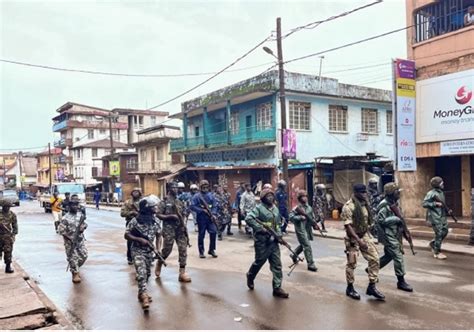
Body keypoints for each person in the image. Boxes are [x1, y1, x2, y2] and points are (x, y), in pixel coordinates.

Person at [341, 184, 384, 301]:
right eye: (362, 192)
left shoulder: (364, 204)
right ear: (355, 193)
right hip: (353, 239)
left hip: (364, 235)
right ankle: (350, 287)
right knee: (352, 264)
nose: (365, 194)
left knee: (375, 259)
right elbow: (348, 227)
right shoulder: (348, 207)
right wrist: (359, 241)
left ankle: (372, 286)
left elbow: (366, 221)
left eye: (365, 192)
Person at [245, 189, 289, 299]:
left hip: (273, 241)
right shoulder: (259, 208)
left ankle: (277, 288)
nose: (270, 198)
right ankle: (250, 276)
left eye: (271, 196)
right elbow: (249, 218)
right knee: (259, 262)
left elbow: (278, 224)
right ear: (263, 198)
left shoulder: (275, 209)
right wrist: (260, 228)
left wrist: (279, 236)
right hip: (262, 242)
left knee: (277, 265)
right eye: (268, 196)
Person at [125, 195, 162, 310]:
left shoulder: (155, 221)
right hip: (137, 250)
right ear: (147, 208)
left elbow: (159, 235)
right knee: (141, 273)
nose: (155, 209)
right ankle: (144, 295)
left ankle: (141, 292)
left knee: (147, 274)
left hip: (149, 252)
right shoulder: (135, 221)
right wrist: (138, 239)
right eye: (153, 207)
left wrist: (158, 249)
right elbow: (126, 234)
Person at [376, 183, 413, 292]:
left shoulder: (394, 203)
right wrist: (395, 219)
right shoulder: (384, 205)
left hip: (395, 233)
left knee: (388, 256)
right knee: (398, 256)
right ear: (391, 193)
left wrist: (405, 231)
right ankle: (401, 281)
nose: (399, 193)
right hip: (388, 235)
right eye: (397, 191)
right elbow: (381, 221)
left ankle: (372, 269)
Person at [155, 183, 191, 282]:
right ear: (169, 189)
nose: (176, 189)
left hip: (180, 229)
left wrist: (184, 226)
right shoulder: (164, 202)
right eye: (173, 188)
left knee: (183, 249)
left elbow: (183, 215)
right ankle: (160, 262)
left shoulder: (179, 202)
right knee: (167, 249)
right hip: (169, 229)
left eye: (177, 188)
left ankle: (182, 273)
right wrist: (170, 217)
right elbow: (158, 215)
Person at [58, 195, 88, 284]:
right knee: (73, 257)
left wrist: (83, 228)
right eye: (73, 205)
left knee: (84, 255)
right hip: (70, 242)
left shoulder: (80, 215)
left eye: (76, 205)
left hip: (80, 240)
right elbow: (61, 231)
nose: (75, 206)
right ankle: (75, 273)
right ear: (69, 206)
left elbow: (85, 224)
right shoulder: (65, 218)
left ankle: (75, 267)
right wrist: (70, 238)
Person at [288, 190, 318, 272]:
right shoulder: (297, 208)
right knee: (307, 245)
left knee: (303, 245)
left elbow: (311, 218)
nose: (305, 198)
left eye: (305, 196)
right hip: (300, 229)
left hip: (307, 229)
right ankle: (310, 264)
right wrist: (300, 218)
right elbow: (290, 217)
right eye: (302, 196)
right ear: (299, 198)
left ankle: (294, 255)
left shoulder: (309, 208)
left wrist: (314, 224)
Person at [422, 176, 450, 260]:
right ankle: (437, 252)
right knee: (439, 234)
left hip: (442, 216)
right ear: (437, 184)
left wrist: (447, 210)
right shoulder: (431, 193)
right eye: (441, 183)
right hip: (435, 217)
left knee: (445, 231)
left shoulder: (440, 192)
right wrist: (435, 204)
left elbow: (443, 204)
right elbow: (424, 204)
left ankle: (434, 243)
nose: (443, 184)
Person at [190, 180, 218, 258]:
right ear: (201, 187)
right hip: (201, 217)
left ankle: (211, 249)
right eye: (203, 187)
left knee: (213, 232)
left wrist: (214, 214)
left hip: (210, 217)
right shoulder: (197, 196)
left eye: (206, 187)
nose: (205, 188)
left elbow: (215, 205)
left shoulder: (211, 195)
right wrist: (202, 210)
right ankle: (201, 252)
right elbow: (192, 206)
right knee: (201, 234)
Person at [121, 187, 142, 265]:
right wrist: (131, 213)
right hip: (130, 222)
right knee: (130, 241)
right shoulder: (128, 202)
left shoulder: (143, 202)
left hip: (141, 223)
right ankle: (130, 257)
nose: (135, 193)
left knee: (143, 239)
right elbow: (122, 213)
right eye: (134, 192)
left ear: (140, 193)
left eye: (137, 192)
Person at [0, 200, 18, 273]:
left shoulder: (12, 214)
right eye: (6, 207)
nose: (7, 208)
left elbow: (15, 225)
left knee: (8, 252)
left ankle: (8, 267)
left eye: (8, 207)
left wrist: (13, 234)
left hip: (7, 236)